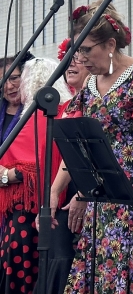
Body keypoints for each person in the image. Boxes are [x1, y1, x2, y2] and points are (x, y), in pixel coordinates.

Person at [49, 1, 133, 294]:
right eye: (77, 49)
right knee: (102, 270)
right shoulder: (91, 84)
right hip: (102, 196)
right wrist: (56, 190)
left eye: (87, 49)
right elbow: (78, 147)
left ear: (110, 44)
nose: (80, 58)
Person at [0, 53, 73, 293]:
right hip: (34, 211)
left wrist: (10, 176)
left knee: (25, 268)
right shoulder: (60, 111)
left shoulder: (39, 115)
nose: (12, 86)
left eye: (17, 79)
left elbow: (27, 167)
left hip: (31, 213)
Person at [48, 39, 91, 294]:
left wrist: (84, 192)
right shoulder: (63, 107)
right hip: (66, 193)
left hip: (89, 191)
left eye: (78, 56)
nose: (71, 62)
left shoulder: (95, 99)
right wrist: (53, 191)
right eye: (67, 57)